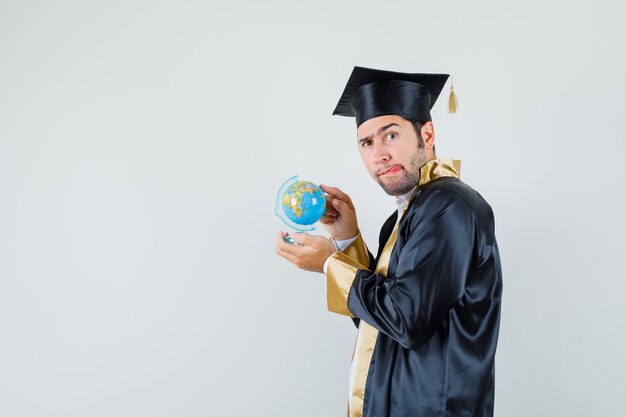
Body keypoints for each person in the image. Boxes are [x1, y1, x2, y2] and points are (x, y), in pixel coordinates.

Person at [275, 66, 503, 417]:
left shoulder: (449, 206)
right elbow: (380, 320)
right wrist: (347, 238)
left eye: (391, 135)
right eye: (366, 142)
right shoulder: (407, 215)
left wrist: (328, 264)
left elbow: (406, 320)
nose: (378, 154)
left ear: (426, 134)